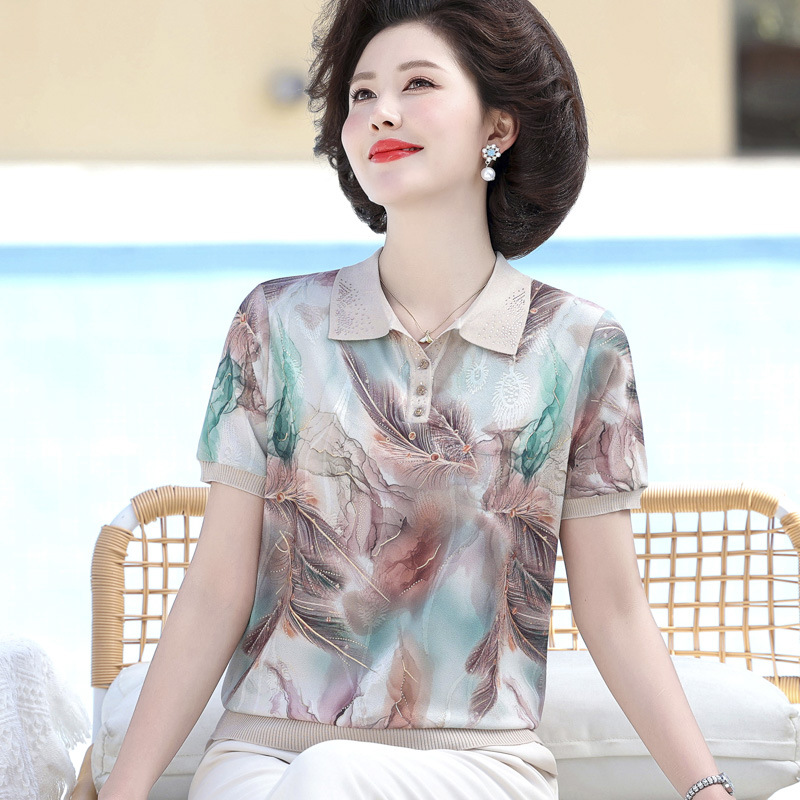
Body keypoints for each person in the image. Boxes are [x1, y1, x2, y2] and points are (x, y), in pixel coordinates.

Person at [98, 1, 737, 798]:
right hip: (263, 757)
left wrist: (707, 789)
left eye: (418, 83)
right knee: (313, 778)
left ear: (497, 126)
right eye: (361, 94)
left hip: (478, 765)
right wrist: (121, 790)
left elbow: (614, 611)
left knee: (331, 776)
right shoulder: (276, 325)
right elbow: (214, 591)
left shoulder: (580, 346)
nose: (381, 112)